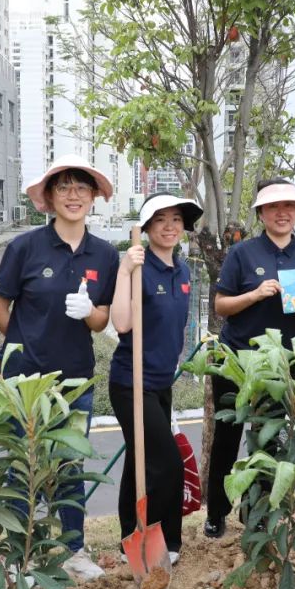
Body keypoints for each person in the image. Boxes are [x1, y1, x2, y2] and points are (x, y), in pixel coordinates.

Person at [0, 154, 120, 581]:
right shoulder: (25, 247)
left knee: (68, 467)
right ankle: (17, 556)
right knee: (19, 466)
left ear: (94, 197)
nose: (73, 195)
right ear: (48, 197)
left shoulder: (104, 254)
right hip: (24, 382)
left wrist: (87, 313)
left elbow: (102, 319)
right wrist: (22, 340)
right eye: (63, 187)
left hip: (75, 381)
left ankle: (72, 551)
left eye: (82, 187)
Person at [204, 178, 295, 538]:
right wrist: (255, 295)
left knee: (271, 437)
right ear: (261, 214)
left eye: (289, 207)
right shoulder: (243, 253)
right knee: (227, 435)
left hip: (282, 362)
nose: (282, 213)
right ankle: (217, 512)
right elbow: (221, 306)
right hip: (238, 360)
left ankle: (256, 509)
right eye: (273, 207)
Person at [110, 192, 203, 564]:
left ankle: (127, 538)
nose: (170, 226)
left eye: (176, 219)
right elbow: (121, 323)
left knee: (139, 459)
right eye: (161, 219)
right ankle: (166, 540)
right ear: (146, 227)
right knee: (166, 463)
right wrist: (123, 270)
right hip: (131, 382)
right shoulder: (138, 267)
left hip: (162, 383)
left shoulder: (182, 270)